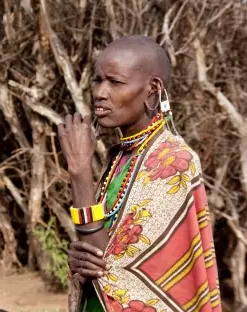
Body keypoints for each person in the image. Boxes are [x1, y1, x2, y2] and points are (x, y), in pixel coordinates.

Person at [58, 36, 221, 312]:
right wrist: (80, 258)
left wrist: (80, 172)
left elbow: (111, 268)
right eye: (98, 80)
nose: (100, 92)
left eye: (115, 82)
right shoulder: (121, 157)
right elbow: (96, 247)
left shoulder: (175, 163)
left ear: (153, 90)